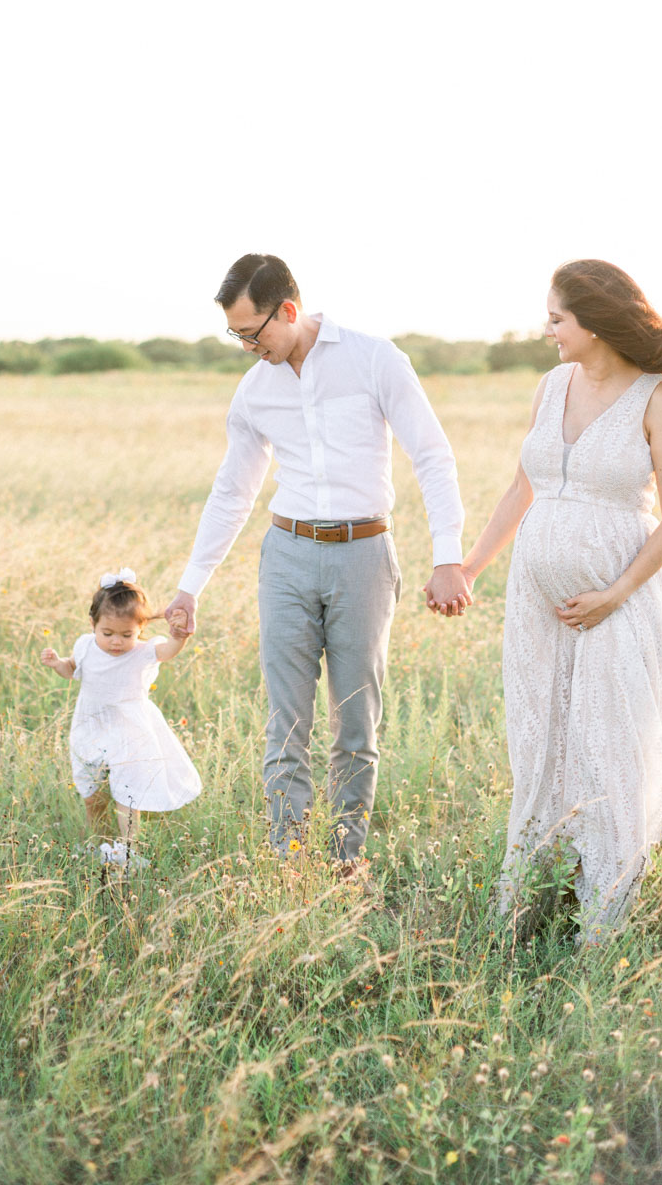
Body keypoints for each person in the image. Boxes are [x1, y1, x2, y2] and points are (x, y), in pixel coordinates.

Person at [164, 254, 470, 874]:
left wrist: (449, 558)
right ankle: (290, 860)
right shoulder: (254, 392)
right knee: (286, 721)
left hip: (365, 556)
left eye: (255, 332)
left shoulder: (374, 358)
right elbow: (233, 492)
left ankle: (345, 860)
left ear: (290, 310)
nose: (249, 347)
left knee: (356, 720)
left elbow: (432, 456)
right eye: (237, 337)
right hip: (286, 557)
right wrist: (190, 586)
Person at [459, 260, 662, 943]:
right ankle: (525, 905)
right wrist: (467, 568)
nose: (547, 329)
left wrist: (613, 594)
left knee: (608, 749)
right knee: (540, 744)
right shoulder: (551, 387)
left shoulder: (655, 398)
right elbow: (521, 492)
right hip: (536, 605)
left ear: (596, 320)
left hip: (621, 603)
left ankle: (600, 928)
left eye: (557, 317)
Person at [42, 569, 201, 868]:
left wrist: (178, 636)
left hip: (131, 731)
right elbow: (72, 669)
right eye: (108, 634)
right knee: (91, 790)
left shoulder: (142, 652)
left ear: (140, 629)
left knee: (128, 794)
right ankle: (96, 841)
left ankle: (127, 850)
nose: (117, 642)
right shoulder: (86, 646)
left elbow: (168, 651)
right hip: (91, 725)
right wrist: (57, 664)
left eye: (127, 635)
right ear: (93, 625)